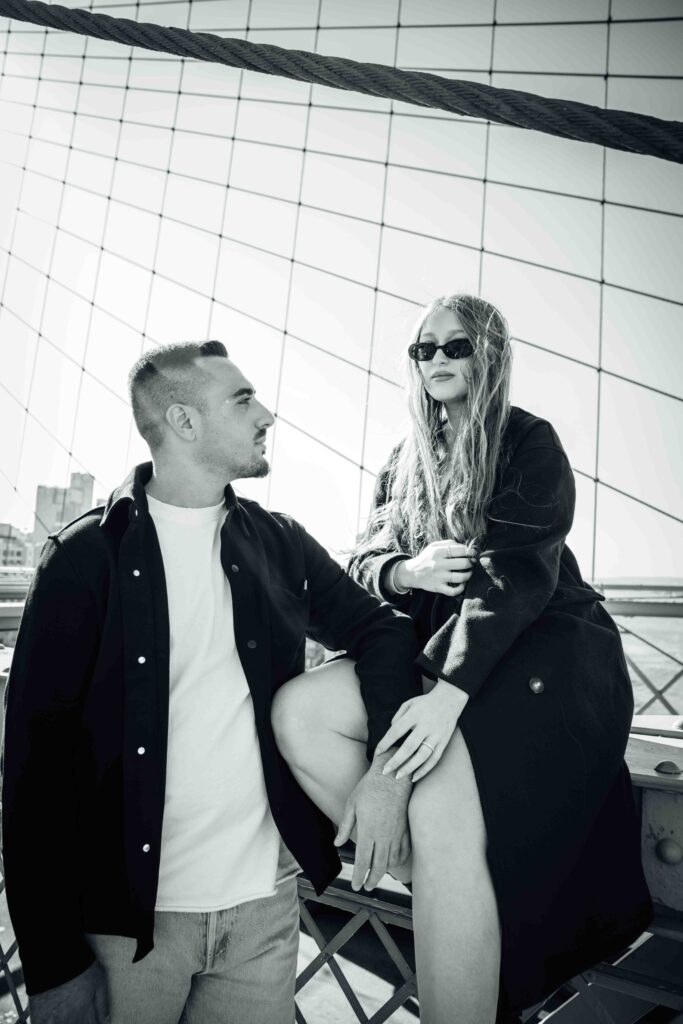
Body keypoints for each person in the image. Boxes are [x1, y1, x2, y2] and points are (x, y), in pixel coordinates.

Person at [1, 340, 423, 1024]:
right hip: (124, 928)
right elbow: (32, 774)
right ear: (183, 422)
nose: (267, 412)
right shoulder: (84, 561)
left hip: (265, 913)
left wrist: (387, 773)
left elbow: (384, 630)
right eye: (242, 399)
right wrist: (53, 968)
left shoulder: (279, 542)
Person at [272, 294, 653, 1024]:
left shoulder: (527, 441)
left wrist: (444, 696)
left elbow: (515, 575)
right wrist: (405, 573)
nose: (439, 359)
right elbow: (361, 559)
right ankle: (458, 873)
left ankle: (458, 885)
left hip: (541, 653)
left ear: (488, 355)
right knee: (300, 710)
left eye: (457, 346)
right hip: (437, 653)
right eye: (425, 349)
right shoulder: (402, 460)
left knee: (440, 785)